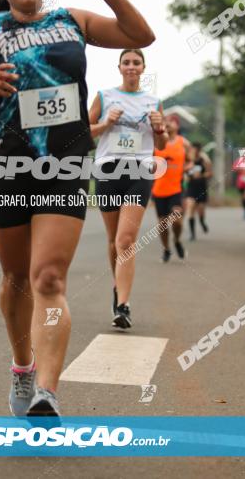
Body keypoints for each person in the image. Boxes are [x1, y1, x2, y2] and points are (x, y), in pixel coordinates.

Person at [0, 0, 154, 418]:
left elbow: (142, 33)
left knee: (49, 278)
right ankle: (22, 369)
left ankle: (47, 391)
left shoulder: (72, 22)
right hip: (9, 165)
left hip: (64, 166)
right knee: (16, 278)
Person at [89, 48, 166, 329]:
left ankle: (123, 305)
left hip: (139, 169)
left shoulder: (154, 101)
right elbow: (83, 133)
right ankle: (117, 288)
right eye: (127, 62)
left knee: (125, 240)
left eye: (136, 62)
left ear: (143, 69)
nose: (131, 66)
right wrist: (106, 123)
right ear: (119, 67)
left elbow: (162, 146)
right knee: (114, 240)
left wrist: (160, 130)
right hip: (108, 169)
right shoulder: (104, 96)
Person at [151, 114, 192, 261]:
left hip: (177, 188)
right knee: (162, 225)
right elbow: (150, 162)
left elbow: (190, 161)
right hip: (159, 189)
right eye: (165, 121)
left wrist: (185, 168)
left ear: (177, 126)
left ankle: (177, 240)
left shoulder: (184, 143)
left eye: (171, 122)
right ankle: (167, 249)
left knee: (176, 220)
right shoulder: (156, 142)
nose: (167, 124)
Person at [183, 142, 212, 240]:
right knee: (190, 209)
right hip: (191, 188)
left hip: (201, 188)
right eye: (192, 149)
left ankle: (202, 222)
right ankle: (192, 234)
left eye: (195, 149)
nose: (193, 151)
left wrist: (202, 175)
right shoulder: (187, 160)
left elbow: (210, 173)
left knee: (201, 211)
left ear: (198, 150)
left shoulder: (203, 160)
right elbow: (183, 170)